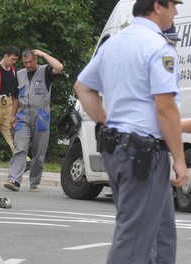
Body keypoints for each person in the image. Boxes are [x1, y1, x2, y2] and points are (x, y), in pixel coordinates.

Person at [73, 0, 188, 263]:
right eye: (173, 5)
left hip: (118, 149)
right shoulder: (158, 46)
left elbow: (82, 87)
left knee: (162, 234)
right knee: (134, 241)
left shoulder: (114, 42)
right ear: (158, 6)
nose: (176, 12)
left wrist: (108, 123)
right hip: (144, 155)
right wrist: (180, 162)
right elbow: (166, 108)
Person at [4, 48, 64, 192]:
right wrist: (13, 115)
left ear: (35, 60)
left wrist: (43, 54)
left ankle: (34, 182)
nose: (28, 65)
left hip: (41, 114)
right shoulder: (19, 74)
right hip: (23, 115)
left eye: (30, 62)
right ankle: (14, 180)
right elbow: (16, 97)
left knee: (38, 152)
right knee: (20, 148)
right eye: (25, 62)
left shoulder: (45, 71)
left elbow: (59, 67)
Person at [0, 46, 20, 154]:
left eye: (16, 60)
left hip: (8, 104)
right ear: (5, 56)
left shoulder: (13, 71)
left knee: (12, 133)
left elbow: (16, 90)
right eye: (12, 59)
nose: (14, 62)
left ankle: (22, 159)